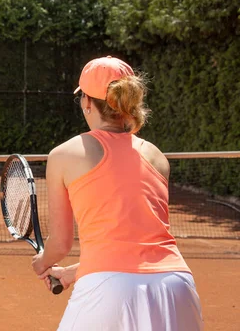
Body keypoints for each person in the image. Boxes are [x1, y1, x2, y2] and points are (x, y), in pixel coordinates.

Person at [31, 56, 204, 330]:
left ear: (87, 102)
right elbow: (138, 244)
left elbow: (61, 244)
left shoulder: (64, 154)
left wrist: (42, 261)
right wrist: (72, 273)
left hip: (109, 290)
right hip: (177, 286)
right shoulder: (156, 156)